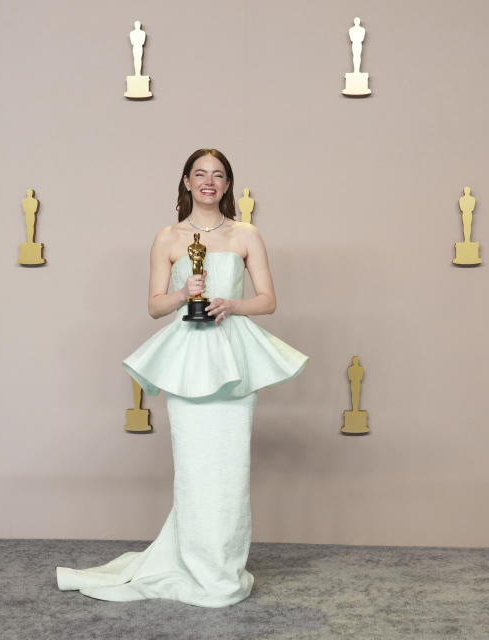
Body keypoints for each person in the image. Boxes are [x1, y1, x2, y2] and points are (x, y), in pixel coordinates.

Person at [56, 148, 308, 607]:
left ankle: (223, 568)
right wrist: (180, 293)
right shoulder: (168, 238)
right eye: (200, 174)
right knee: (195, 470)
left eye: (218, 175)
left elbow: (268, 300)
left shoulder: (246, 234)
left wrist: (232, 304)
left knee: (230, 470)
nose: (209, 181)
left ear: (228, 185)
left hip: (231, 359)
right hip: (189, 358)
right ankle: (192, 564)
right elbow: (154, 305)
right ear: (187, 183)